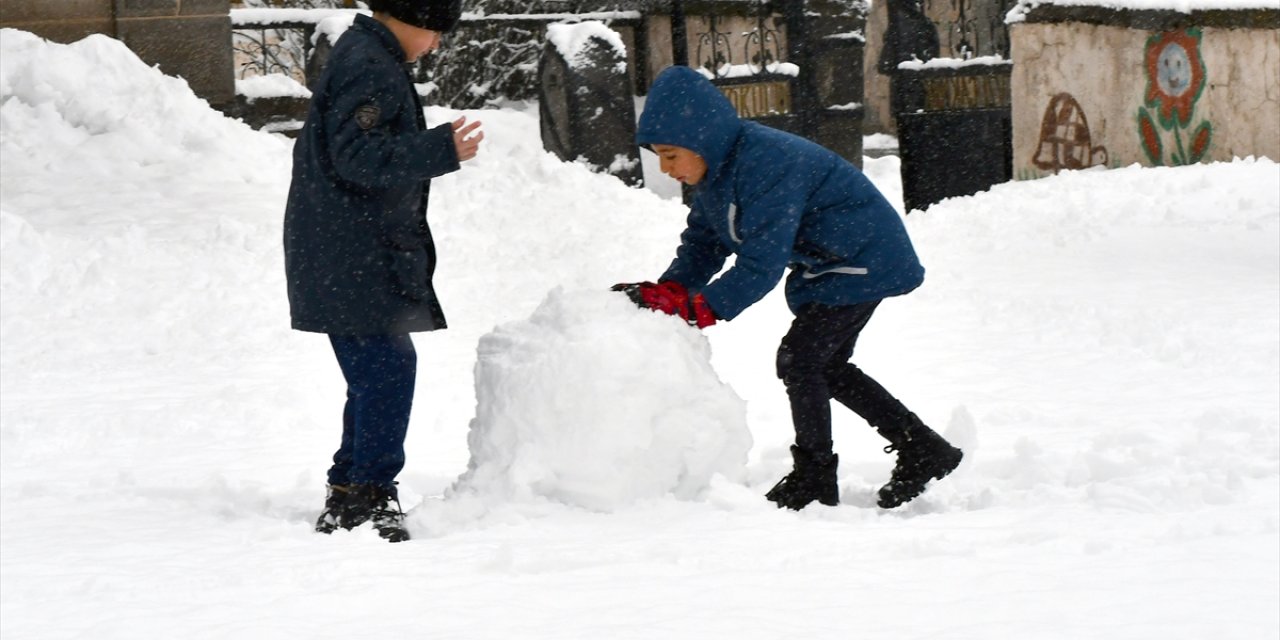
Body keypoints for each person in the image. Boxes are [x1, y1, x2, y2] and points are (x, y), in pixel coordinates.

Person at [614, 66, 961, 511]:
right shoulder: (716, 173)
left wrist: (701, 308)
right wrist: (669, 292)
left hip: (863, 259)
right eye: (657, 157)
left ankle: (815, 476)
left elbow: (761, 262)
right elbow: (704, 242)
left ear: (702, 141)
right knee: (824, 364)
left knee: (802, 360)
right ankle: (924, 449)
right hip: (830, 265)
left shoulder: (766, 163)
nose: (665, 168)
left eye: (670, 154)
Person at [283, 0, 483, 542]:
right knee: (388, 370)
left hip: (345, 251)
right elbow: (356, 157)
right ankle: (365, 495)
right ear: (410, 19)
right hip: (350, 254)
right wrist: (441, 147)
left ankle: (352, 487)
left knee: (376, 372)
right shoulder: (371, 65)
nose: (436, 44)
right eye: (435, 31)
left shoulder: (370, 56)